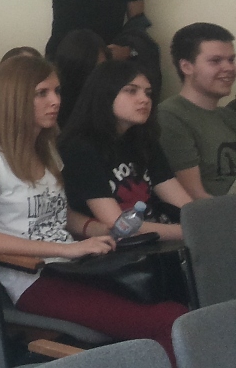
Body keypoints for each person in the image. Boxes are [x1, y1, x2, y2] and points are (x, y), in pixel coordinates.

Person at [0, 54, 185, 362]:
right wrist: (68, 249)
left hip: (70, 267)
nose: (55, 101)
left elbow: (60, 214)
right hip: (34, 279)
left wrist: (100, 230)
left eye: (56, 91)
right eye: (42, 93)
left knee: (173, 302)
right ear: (15, 99)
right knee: (170, 320)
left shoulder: (47, 151)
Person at [59, 59, 195, 240]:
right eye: (131, 91)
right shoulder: (80, 148)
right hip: (115, 246)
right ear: (105, 95)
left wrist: (201, 223)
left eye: (148, 93)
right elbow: (119, 225)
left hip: (158, 236)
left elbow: (184, 205)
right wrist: (192, 231)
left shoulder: (144, 140)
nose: (144, 99)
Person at [158, 23, 236, 199]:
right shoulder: (170, 116)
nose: (229, 68)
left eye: (231, 60)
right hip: (217, 211)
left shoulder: (228, 116)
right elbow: (194, 196)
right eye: (215, 61)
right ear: (187, 67)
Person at [50, 28, 108, 129]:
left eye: (104, 68)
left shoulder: (105, 97)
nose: (101, 75)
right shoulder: (56, 102)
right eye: (94, 68)